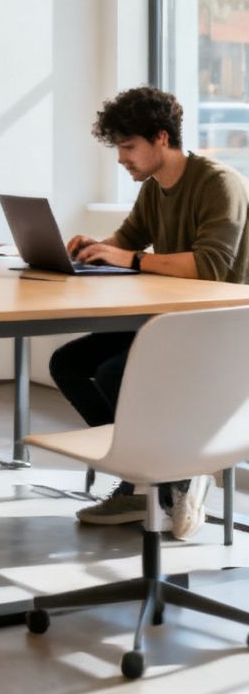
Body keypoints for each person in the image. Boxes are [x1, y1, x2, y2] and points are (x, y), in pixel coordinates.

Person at [52, 86, 249, 536]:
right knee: (68, 364)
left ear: (161, 138)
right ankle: (148, 477)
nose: (122, 158)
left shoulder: (220, 183)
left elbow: (211, 265)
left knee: (114, 373)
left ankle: (171, 474)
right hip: (171, 323)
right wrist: (93, 248)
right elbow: (127, 241)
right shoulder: (154, 189)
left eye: (128, 147)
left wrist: (131, 259)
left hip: (221, 330)